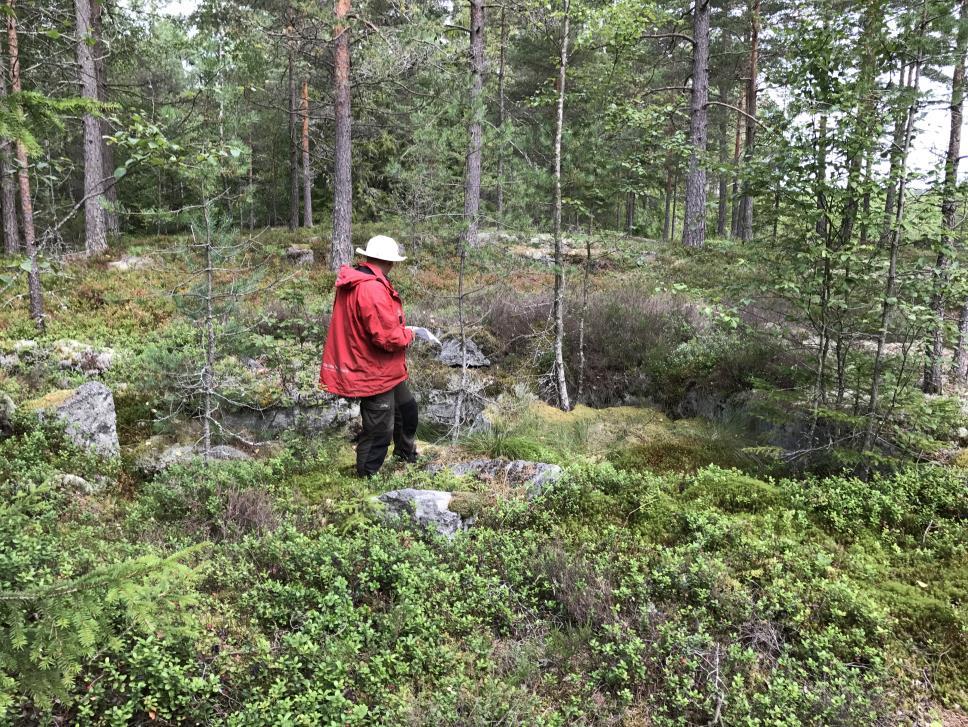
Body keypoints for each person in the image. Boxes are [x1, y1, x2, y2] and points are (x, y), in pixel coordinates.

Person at [319, 235, 419, 477]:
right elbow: (386, 338)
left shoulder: (363, 281)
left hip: (385, 369)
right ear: (390, 262)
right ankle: (366, 477)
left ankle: (405, 456)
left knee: (407, 411)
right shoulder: (371, 288)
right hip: (372, 370)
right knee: (378, 431)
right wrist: (410, 335)